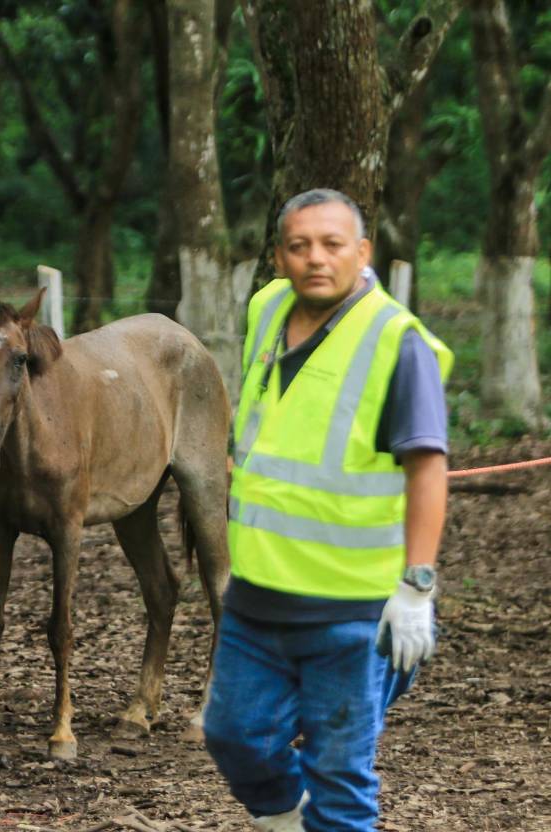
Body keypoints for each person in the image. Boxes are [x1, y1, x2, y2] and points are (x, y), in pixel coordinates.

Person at [202, 189, 452, 832]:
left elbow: (428, 467)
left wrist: (417, 584)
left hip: (353, 610)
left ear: (362, 252)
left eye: (333, 244)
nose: (317, 259)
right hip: (257, 597)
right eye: (299, 245)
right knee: (235, 737)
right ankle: (289, 819)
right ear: (279, 256)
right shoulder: (265, 310)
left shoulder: (399, 343)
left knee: (341, 777)